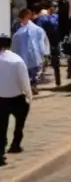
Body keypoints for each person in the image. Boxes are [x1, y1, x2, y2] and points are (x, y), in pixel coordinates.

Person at [0, 35, 32, 165]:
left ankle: (0, 152)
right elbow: (25, 82)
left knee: (1, 126)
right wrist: (30, 97)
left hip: (0, 99)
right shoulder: (17, 60)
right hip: (17, 97)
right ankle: (16, 143)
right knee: (20, 122)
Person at [11, 9, 48, 95]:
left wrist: (43, 54)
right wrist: (44, 54)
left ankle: (31, 86)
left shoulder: (30, 30)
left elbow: (41, 43)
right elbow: (42, 43)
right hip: (30, 56)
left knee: (30, 73)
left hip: (28, 56)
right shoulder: (34, 29)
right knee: (31, 73)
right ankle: (32, 86)